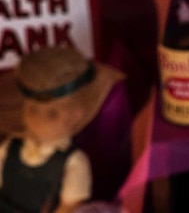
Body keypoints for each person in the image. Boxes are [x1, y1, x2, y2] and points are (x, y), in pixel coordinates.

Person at [0, 47, 124, 213]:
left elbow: (69, 206)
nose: (39, 121)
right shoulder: (10, 148)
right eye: (32, 110)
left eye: (52, 114)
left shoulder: (73, 162)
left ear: (77, 115)